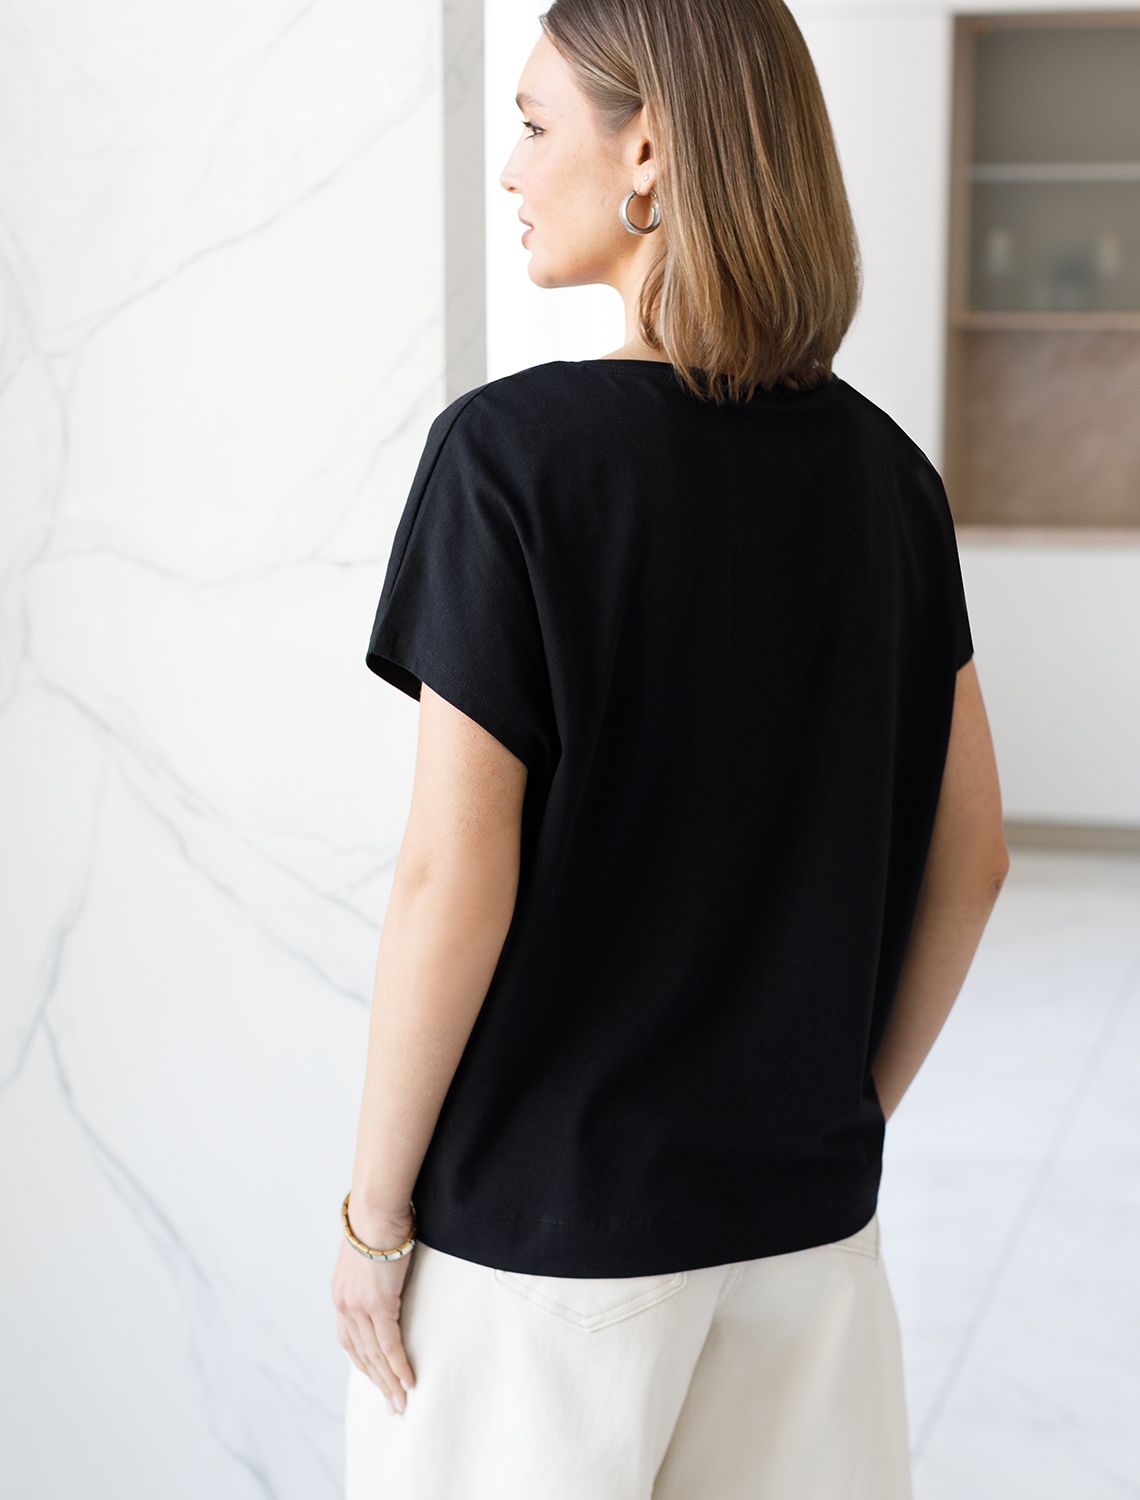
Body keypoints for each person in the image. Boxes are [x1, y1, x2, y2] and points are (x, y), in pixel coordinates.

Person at [334, 0, 1010, 1495]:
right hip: (806, 1248)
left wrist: (373, 1223)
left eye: (534, 125)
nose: (512, 168)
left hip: (544, 1257)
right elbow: (974, 858)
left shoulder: (511, 460)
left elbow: (453, 879)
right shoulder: (892, 482)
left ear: (648, 151)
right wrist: (830, 1117)